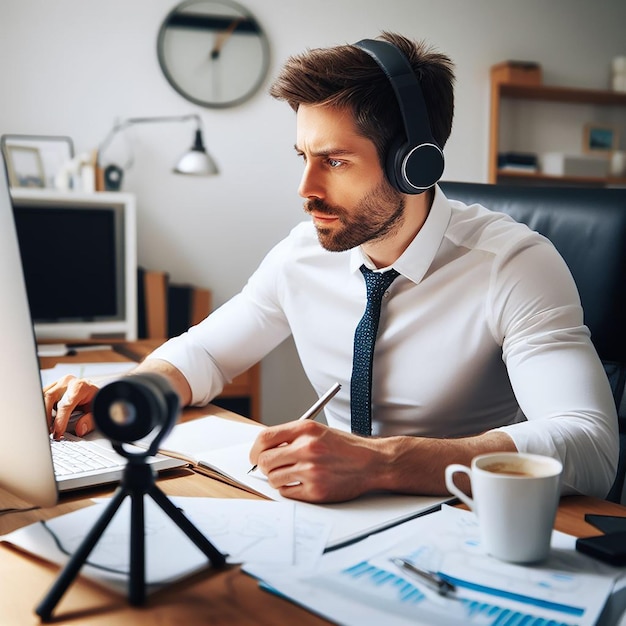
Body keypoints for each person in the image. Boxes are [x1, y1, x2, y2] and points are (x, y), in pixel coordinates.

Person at [44, 32, 618, 503]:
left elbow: (591, 446)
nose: (305, 189)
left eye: (335, 161)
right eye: (303, 157)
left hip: (465, 522)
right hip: (324, 514)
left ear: (414, 165)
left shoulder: (515, 264)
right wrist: (128, 394)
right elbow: (207, 354)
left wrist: (382, 462)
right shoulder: (301, 255)